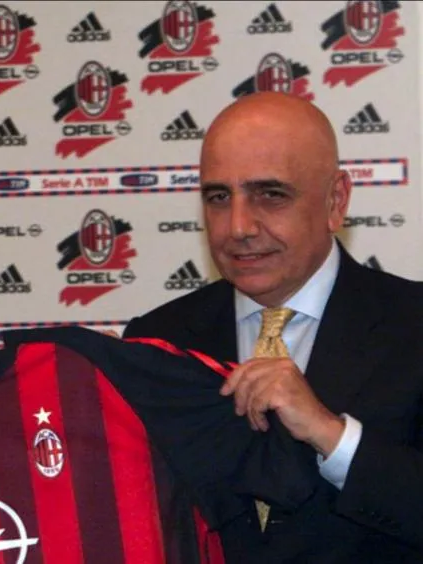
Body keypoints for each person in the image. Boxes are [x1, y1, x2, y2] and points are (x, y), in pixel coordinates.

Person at [124, 92, 423, 562]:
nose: (239, 226)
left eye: (271, 194)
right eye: (219, 197)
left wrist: (331, 435)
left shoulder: (413, 324)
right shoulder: (158, 340)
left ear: (335, 200)